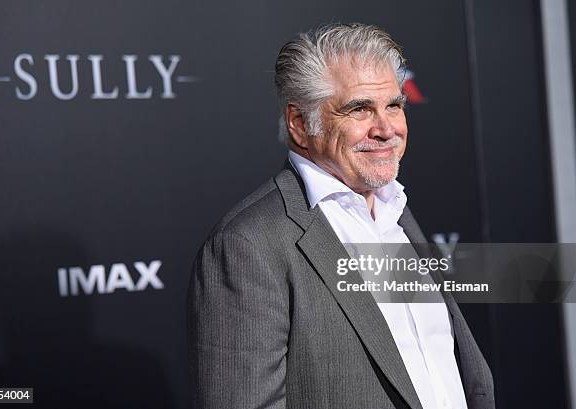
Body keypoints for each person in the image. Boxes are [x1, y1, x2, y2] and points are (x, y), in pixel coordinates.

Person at [187, 23, 495, 409]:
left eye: (394, 105)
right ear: (300, 124)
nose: (386, 129)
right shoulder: (247, 246)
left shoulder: (394, 210)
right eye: (360, 109)